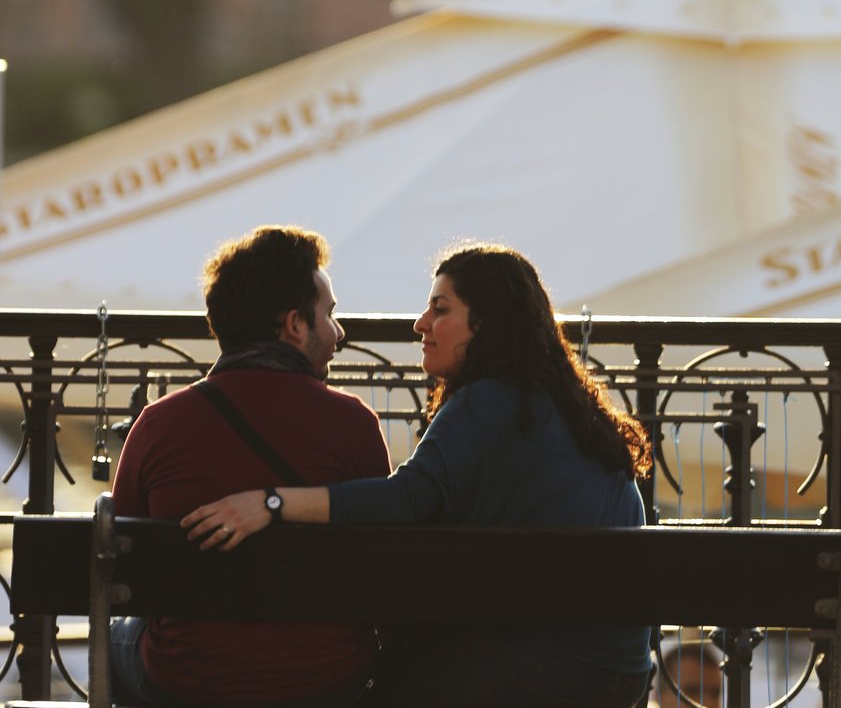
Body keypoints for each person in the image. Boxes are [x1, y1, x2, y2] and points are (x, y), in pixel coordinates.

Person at [183, 242, 653, 708]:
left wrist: (272, 503)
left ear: (485, 323)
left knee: (378, 686)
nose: (420, 324)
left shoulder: (486, 402)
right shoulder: (573, 409)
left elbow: (407, 498)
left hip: (543, 672)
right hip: (623, 673)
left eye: (440, 309)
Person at [111, 225, 390, 708]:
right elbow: (381, 557)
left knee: (120, 636)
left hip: (189, 683)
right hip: (327, 680)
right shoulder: (355, 425)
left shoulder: (159, 425)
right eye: (330, 314)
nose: (339, 334)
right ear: (294, 325)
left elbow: (124, 560)